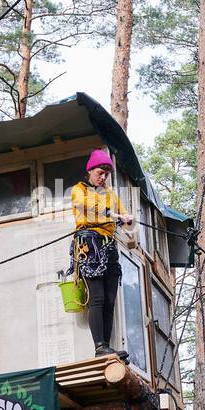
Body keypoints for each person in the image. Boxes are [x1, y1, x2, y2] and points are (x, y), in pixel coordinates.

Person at [70, 149, 133, 357]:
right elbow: (82, 204)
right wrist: (110, 213)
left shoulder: (110, 194)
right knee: (96, 298)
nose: (103, 177)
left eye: (106, 174)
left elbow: (122, 213)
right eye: (99, 172)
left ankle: (106, 346)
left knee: (109, 299)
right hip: (89, 243)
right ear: (90, 171)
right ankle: (99, 347)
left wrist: (127, 218)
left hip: (109, 245)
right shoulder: (79, 189)